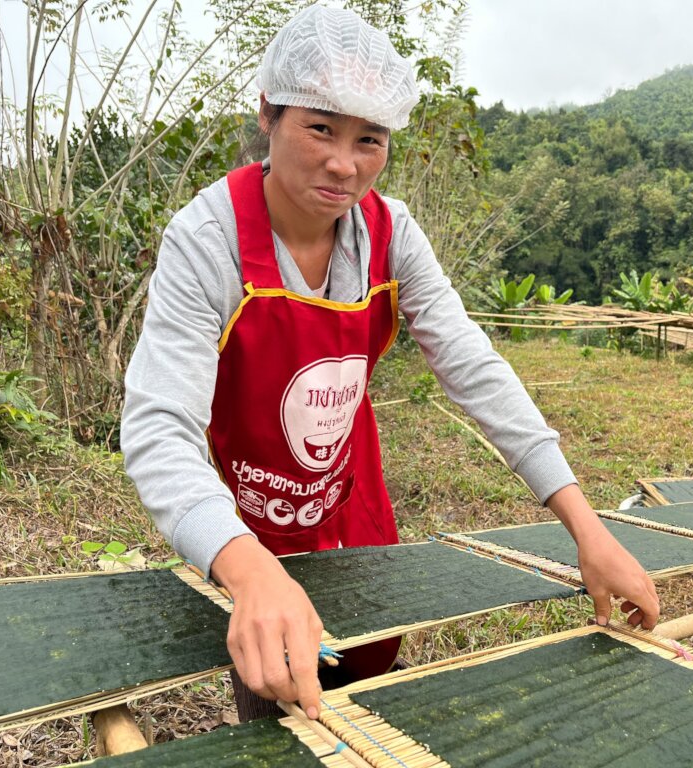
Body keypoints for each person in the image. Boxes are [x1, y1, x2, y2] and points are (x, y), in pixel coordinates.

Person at [121, 4, 659, 724]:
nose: (345, 164)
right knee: (276, 680)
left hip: (346, 491)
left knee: (371, 667)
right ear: (267, 116)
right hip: (247, 509)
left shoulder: (391, 234)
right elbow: (159, 428)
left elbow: (473, 367)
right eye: (320, 129)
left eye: (369, 139)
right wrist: (250, 571)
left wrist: (588, 529)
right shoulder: (207, 240)